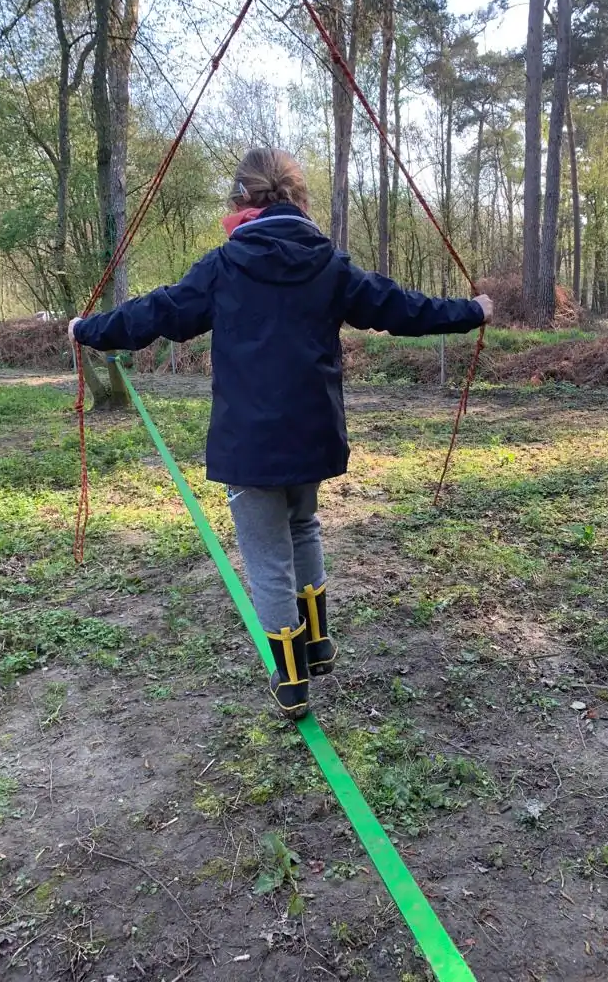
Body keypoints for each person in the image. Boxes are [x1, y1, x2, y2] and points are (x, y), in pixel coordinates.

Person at [69, 147, 492, 721]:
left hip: (251, 445)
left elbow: (158, 312)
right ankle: (316, 645)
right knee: (303, 525)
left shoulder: (226, 265)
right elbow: (400, 307)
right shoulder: (328, 264)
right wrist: (471, 309)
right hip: (312, 435)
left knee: (268, 553)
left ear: (243, 201)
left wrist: (88, 329)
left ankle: (292, 682)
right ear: (298, 198)